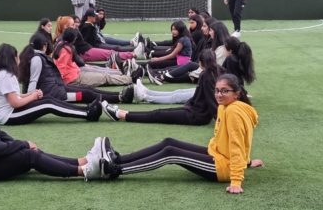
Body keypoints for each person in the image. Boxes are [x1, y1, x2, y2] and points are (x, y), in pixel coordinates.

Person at [99, 72, 263, 193]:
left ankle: (116, 170)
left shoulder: (233, 111)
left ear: (237, 94)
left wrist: (236, 181)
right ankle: (118, 159)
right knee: (168, 142)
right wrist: (247, 162)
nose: (219, 95)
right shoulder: (224, 107)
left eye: (225, 91)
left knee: (171, 154)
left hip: (222, 168)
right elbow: (242, 141)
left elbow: (237, 144)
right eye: (217, 90)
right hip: (218, 155)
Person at [0, 75, 103, 181]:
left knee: (31, 153)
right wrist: (22, 145)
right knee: (29, 156)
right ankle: (84, 171)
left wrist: (18, 146)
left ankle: (82, 161)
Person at [0, 43, 101, 124]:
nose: (19, 59)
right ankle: (88, 113)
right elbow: (15, 103)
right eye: (17, 57)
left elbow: (15, 95)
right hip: (8, 115)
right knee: (48, 104)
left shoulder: (3, 74)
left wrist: (31, 94)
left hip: (10, 112)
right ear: (12, 58)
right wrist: (32, 96)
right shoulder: (4, 76)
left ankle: (87, 109)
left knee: (49, 100)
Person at [101, 48, 219, 126]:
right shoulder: (214, 72)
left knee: (158, 114)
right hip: (193, 111)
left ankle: (120, 114)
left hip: (196, 116)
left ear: (202, 63)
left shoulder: (207, 76)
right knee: (159, 112)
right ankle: (121, 113)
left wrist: (221, 120)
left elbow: (211, 101)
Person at [19, 35, 122, 105]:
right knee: (87, 94)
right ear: (44, 46)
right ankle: (120, 97)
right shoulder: (37, 59)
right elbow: (33, 81)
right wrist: (30, 100)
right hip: (55, 96)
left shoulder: (35, 56)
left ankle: (120, 95)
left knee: (88, 90)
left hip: (57, 90)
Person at [53, 28, 132, 88]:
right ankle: (130, 78)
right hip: (73, 78)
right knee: (104, 77)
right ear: (73, 39)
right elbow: (60, 68)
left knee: (99, 72)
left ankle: (122, 73)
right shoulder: (65, 50)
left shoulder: (62, 45)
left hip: (75, 73)